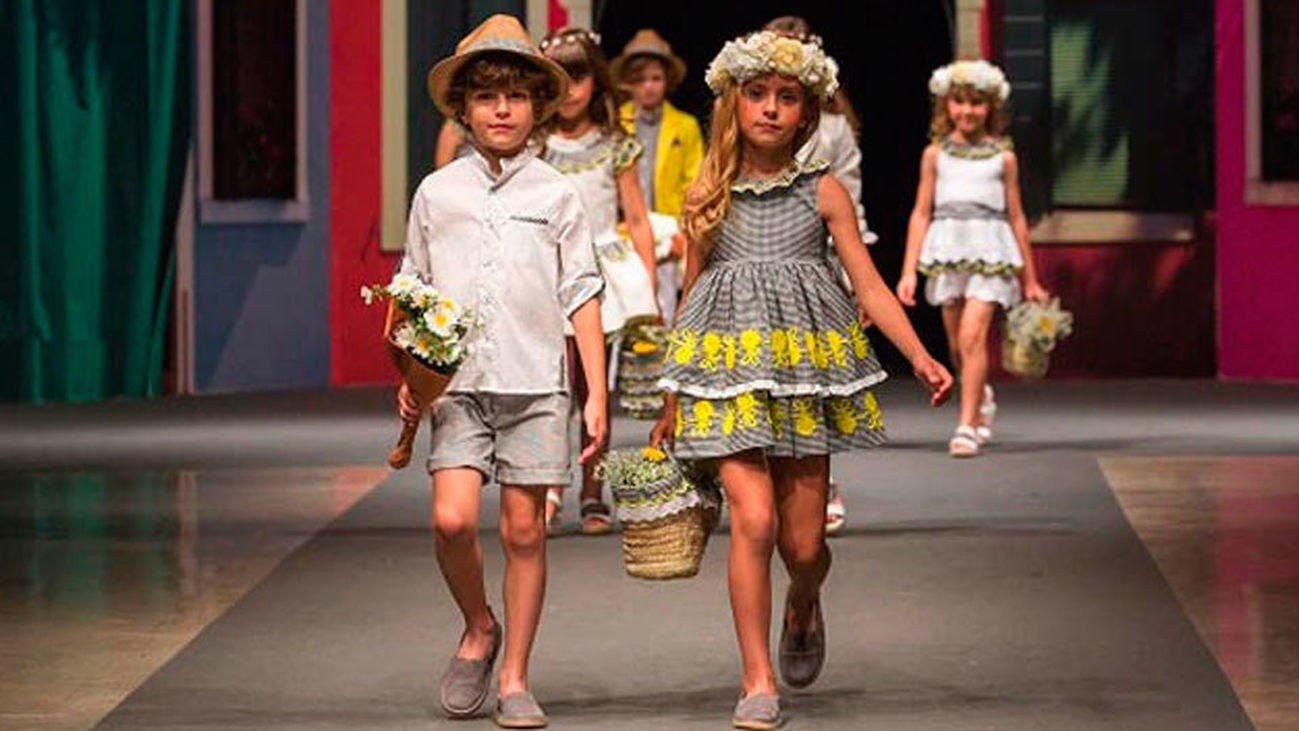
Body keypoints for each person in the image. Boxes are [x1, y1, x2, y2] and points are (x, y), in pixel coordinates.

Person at [650, 30, 953, 729]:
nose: (769, 109)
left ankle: (802, 600)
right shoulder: (707, 193)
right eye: (756, 95)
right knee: (750, 521)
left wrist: (918, 354)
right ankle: (756, 678)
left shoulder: (823, 192)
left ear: (806, 113)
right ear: (733, 104)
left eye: (786, 98)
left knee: (804, 546)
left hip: (802, 375)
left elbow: (870, 288)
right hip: (727, 374)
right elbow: (690, 297)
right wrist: (672, 394)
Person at [399, 15, 607, 727]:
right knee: (451, 520)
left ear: (537, 107)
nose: (501, 111)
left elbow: (581, 291)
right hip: (457, 387)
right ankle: (477, 624)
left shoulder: (556, 193)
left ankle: (515, 674)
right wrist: (411, 368)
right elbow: (413, 289)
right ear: (462, 108)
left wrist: (597, 392)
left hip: (537, 385)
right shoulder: (436, 192)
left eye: (515, 98)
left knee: (525, 531)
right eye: (486, 98)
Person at [538, 26, 659, 536]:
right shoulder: (536, 144)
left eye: (580, 75)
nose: (570, 88)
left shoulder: (615, 145)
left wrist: (649, 289)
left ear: (596, 81)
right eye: (559, 76)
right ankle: (547, 483)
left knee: (592, 388)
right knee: (549, 386)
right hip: (545, 271)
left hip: (601, 274)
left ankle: (592, 487)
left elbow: (637, 215)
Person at [897, 60, 1049, 457]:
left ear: (990, 108)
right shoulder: (935, 155)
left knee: (972, 336)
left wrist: (1029, 278)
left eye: (976, 104)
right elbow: (921, 211)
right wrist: (908, 269)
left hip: (990, 247)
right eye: (959, 102)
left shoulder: (1003, 157)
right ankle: (979, 396)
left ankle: (966, 424)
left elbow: (1016, 216)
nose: (967, 111)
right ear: (947, 106)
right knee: (956, 343)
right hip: (947, 247)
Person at [765, 15, 873, 536]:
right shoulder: (749, 122)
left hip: (819, 269)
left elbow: (850, 202)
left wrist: (854, 284)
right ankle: (765, 482)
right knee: (763, 377)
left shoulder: (833, 130)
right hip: (759, 268)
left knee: (812, 382)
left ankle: (820, 481)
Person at [611, 28, 705, 320]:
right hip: (620, 232)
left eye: (655, 78)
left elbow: (695, 182)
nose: (648, 87)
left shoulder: (685, 125)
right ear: (627, 83)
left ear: (668, 80)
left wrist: (682, 231)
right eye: (640, 80)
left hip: (668, 234)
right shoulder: (615, 122)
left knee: (662, 308)